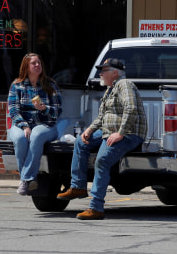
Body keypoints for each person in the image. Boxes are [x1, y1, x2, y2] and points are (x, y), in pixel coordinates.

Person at [57, 58, 147, 220]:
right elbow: (102, 116)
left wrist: (121, 133)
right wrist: (90, 130)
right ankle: (78, 186)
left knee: (103, 160)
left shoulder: (124, 84)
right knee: (80, 142)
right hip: (108, 131)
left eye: (104, 71)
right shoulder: (110, 89)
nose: (100, 74)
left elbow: (131, 108)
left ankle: (96, 208)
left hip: (130, 134)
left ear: (115, 73)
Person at [7, 53, 62, 196]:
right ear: (26, 67)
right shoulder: (17, 86)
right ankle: (28, 178)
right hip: (20, 125)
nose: (38, 66)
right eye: (34, 63)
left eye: (39, 63)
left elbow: (58, 111)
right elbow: (13, 110)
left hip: (45, 126)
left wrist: (45, 108)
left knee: (36, 135)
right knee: (19, 139)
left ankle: (25, 179)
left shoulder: (50, 85)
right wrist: (24, 126)